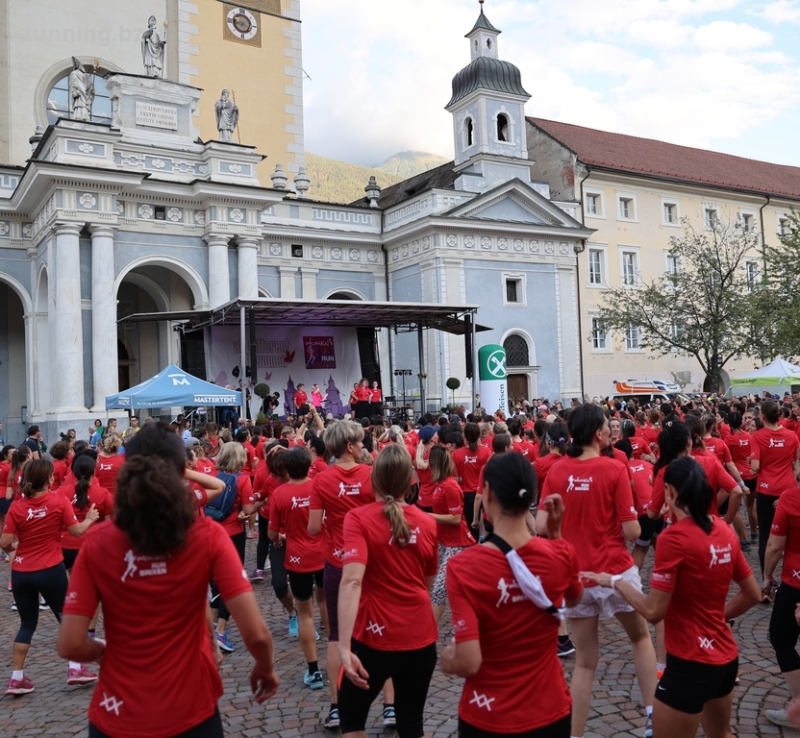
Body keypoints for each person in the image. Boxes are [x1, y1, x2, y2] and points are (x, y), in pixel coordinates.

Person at [56, 422, 279, 737]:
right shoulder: (207, 535)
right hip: (192, 711)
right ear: (183, 469)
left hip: (117, 713)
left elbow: (70, 643)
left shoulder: (98, 542)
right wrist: (266, 667)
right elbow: (256, 634)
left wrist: (106, 652)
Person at [583, 456, 760, 738]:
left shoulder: (673, 539)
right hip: (725, 659)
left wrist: (617, 582)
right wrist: (718, 616)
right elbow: (752, 593)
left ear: (671, 492)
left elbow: (654, 612)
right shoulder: (724, 531)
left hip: (689, 665)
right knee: (722, 734)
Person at [536, 403, 657, 738]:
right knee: (640, 637)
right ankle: (651, 717)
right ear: (598, 433)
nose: (611, 429)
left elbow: (542, 524)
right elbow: (633, 532)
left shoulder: (558, 470)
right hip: (615, 570)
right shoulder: (614, 468)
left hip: (577, 576)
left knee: (585, 662)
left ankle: (575, 734)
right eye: (607, 425)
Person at [442, 452, 582, 738]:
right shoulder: (561, 553)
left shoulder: (463, 567)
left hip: (487, 713)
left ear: (489, 493)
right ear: (532, 496)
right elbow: (575, 598)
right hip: (549, 707)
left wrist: (447, 660)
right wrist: (555, 539)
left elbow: (469, 662)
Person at [338, 444, 439, 738]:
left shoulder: (358, 519)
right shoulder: (428, 523)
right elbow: (427, 582)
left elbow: (352, 581)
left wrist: (344, 647)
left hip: (374, 636)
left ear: (374, 480)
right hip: (420, 635)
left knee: (351, 718)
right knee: (411, 722)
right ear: (411, 482)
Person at [1, 459, 100, 694]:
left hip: (22, 572)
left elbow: (5, 542)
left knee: (27, 624)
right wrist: (90, 518)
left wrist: (13, 550)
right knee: (67, 619)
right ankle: (75, 668)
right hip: (50, 569)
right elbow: (76, 532)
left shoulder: (17, 506)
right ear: (48, 479)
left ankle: (16, 677)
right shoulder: (58, 500)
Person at [308, 420, 376, 729]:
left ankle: (336, 708)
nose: (363, 446)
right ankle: (390, 706)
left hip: (337, 560)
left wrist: (332, 524)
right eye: (360, 443)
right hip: (371, 561)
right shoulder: (371, 474)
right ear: (349, 446)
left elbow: (311, 527)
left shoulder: (321, 480)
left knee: (337, 635)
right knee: (379, 629)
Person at [268, 446, 328, 690]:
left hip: (298, 558)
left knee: (305, 614)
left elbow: (272, 533)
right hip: (324, 554)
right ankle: (339, 662)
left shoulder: (280, 494)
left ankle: (313, 670)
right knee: (326, 605)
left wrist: (281, 535)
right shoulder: (320, 486)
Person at [751, 399, 800, 593]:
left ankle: (767, 581)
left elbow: (755, 467)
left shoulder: (758, 436)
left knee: (767, 535)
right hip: (787, 489)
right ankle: (791, 575)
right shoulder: (791, 436)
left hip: (766, 490)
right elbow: (795, 462)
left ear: (762, 416)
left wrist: (754, 462)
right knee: (791, 535)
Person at [763, 483, 800, 727]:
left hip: (795, 580)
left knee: (781, 638)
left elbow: (775, 546)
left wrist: (767, 576)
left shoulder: (792, 497)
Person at [209, 442, 252, 652]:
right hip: (233, 533)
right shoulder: (242, 479)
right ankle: (221, 630)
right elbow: (248, 508)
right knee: (232, 583)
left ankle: (211, 627)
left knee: (216, 582)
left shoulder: (211, 475)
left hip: (211, 532)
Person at [428, 445, 474, 622]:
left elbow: (456, 518)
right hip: (446, 541)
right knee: (458, 587)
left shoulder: (450, 486)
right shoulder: (440, 484)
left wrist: (428, 516)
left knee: (440, 588)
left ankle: (429, 633)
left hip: (459, 543)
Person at [452, 423, 491, 541]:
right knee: (489, 523)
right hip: (484, 492)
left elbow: (455, 478)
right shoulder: (486, 451)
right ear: (479, 435)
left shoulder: (456, 454)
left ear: (465, 436)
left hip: (467, 495)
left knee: (472, 526)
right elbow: (489, 473)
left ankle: (474, 548)